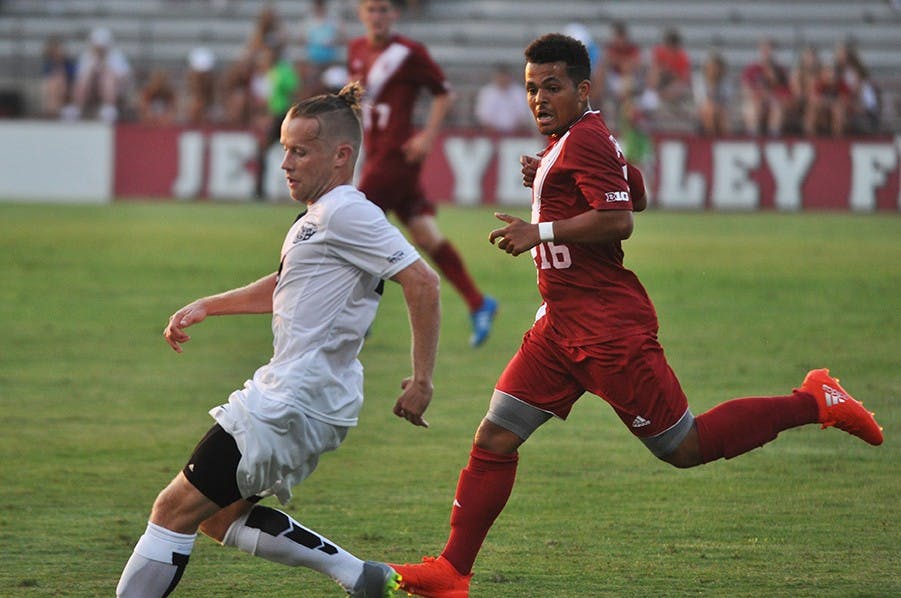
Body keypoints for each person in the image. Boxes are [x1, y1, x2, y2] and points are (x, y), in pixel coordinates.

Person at [386, 33, 884, 597]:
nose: (538, 99)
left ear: (582, 89)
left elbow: (621, 220)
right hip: (559, 328)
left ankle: (815, 401)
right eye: (531, 88)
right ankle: (453, 571)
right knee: (495, 438)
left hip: (608, 330)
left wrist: (539, 230)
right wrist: (553, 173)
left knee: (684, 446)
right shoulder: (578, 137)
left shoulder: (587, 140)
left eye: (551, 87)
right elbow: (635, 192)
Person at [115, 81, 441, 598]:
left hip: (289, 400)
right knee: (218, 519)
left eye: (299, 151)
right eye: (284, 149)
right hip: (310, 398)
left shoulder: (346, 212)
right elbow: (285, 284)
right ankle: (358, 576)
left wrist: (422, 379)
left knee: (171, 510)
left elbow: (422, 281)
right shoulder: (317, 218)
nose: (285, 163)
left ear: (341, 156)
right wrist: (209, 305)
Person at [347, 0, 498, 347]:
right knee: (427, 237)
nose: (378, 16)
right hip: (377, 157)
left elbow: (443, 94)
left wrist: (427, 136)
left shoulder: (409, 53)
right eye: (372, 9)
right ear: (362, 14)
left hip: (398, 157)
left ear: (395, 15)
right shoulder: (356, 50)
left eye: (385, 9)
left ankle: (357, 314)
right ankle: (479, 303)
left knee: (355, 223)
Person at [64, 27, 132, 122]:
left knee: (108, 80)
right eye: (97, 47)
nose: (99, 50)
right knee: (84, 78)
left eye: (101, 47)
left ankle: (109, 108)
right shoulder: (87, 57)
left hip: (113, 90)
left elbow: (123, 78)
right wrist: (93, 70)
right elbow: (80, 78)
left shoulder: (116, 57)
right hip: (91, 90)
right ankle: (76, 107)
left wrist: (104, 70)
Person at [740, 38, 791, 136]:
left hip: (774, 101)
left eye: (770, 50)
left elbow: (786, 94)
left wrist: (774, 85)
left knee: (777, 107)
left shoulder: (781, 71)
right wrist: (759, 96)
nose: (767, 53)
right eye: (764, 50)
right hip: (756, 101)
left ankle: (774, 136)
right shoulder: (751, 69)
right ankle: (753, 135)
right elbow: (746, 90)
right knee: (753, 107)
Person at [473, 64, 532, 133]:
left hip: (517, 133)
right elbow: (482, 116)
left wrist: (515, 129)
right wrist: (494, 130)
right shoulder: (486, 93)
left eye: (505, 76)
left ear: (510, 77)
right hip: (491, 133)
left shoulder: (519, 92)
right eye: (500, 76)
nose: (503, 79)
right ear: (495, 77)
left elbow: (524, 114)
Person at [40, 35, 75, 119]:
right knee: (52, 84)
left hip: (68, 87)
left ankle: (56, 110)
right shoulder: (48, 65)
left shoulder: (68, 64)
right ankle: (51, 109)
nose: (57, 53)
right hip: (54, 88)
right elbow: (47, 78)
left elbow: (72, 77)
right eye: (54, 51)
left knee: (58, 82)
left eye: (58, 50)